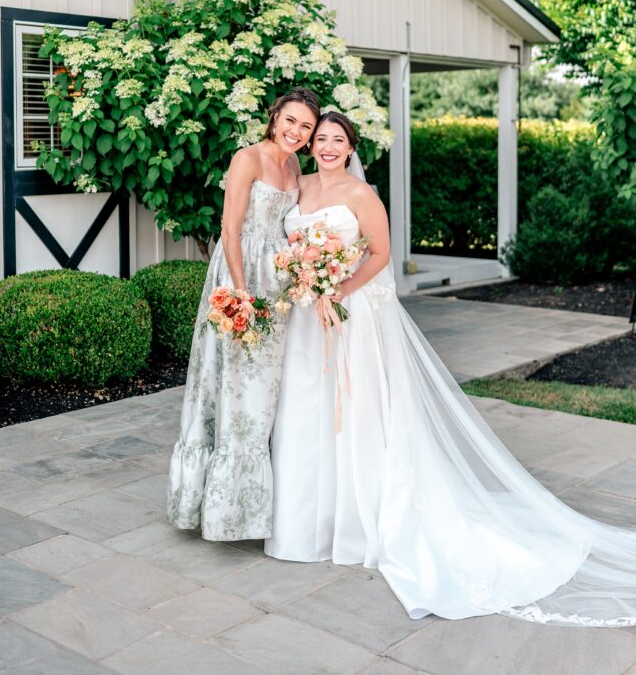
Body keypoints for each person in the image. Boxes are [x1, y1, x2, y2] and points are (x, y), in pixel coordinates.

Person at [265, 109, 636, 626]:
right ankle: (312, 521)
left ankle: (358, 521)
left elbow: (380, 254)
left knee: (356, 412)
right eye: (320, 139)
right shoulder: (298, 188)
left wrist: (336, 289)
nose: (327, 147)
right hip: (308, 320)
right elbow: (283, 245)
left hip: (351, 318)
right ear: (310, 146)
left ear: (351, 148)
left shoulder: (361, 195)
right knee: (309, 411)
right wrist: (306, 283)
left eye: (337, 140)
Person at [167, 87, 320, 541]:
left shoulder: (295, 165)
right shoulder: (247, 158)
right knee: (231, 381)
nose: (296, 131)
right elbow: (229, 231)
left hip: (277, 282)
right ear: (274, 118)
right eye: (290, 120)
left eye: (306, 126)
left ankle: (251, 508)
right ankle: (217, 509)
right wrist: (240, 294)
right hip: (240, 275)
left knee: (263, 388)